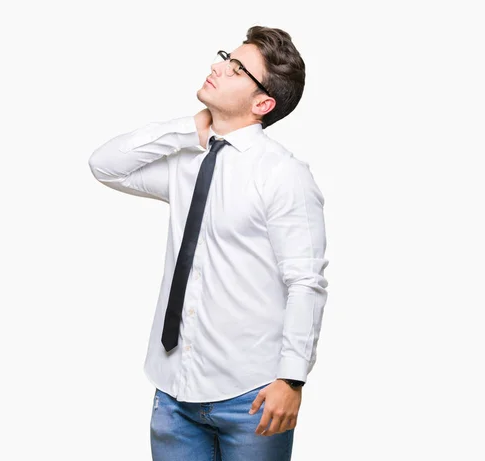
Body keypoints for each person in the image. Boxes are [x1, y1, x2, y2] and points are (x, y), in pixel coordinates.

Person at [88, 25, 329, 461]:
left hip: (252, 395)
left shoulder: (283, 174)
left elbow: (305, 282)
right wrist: (188, 130)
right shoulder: (188, 162)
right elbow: (105, 165)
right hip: (173, 391)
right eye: (226, 57)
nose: (219, 67)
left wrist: (291, 380)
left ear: (263, 103)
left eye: (237, 69)